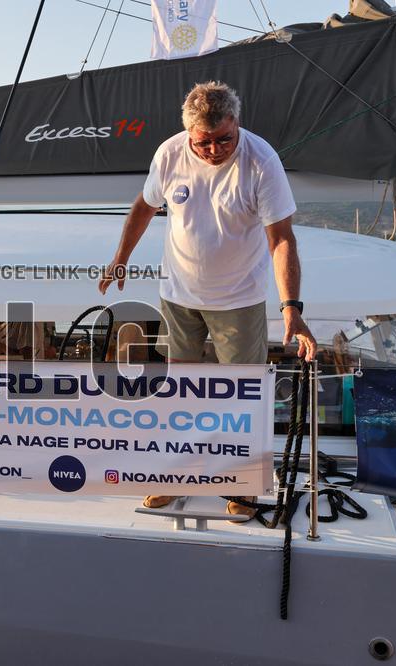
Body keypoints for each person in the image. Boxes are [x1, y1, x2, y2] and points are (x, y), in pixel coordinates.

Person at [98, 81, 317, 518]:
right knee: (179, 393)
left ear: (237, 125)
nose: (215, 150)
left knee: (241, 396)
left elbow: (281, 239)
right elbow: (144, 206)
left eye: (224, 140)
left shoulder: (261, 161)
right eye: (204, 142)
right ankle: (176, 474)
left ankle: (244, 485)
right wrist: (120, 258)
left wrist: (291, 307)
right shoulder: (170, 153)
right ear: (189, 134)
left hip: (239, 299)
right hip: (179, 296)